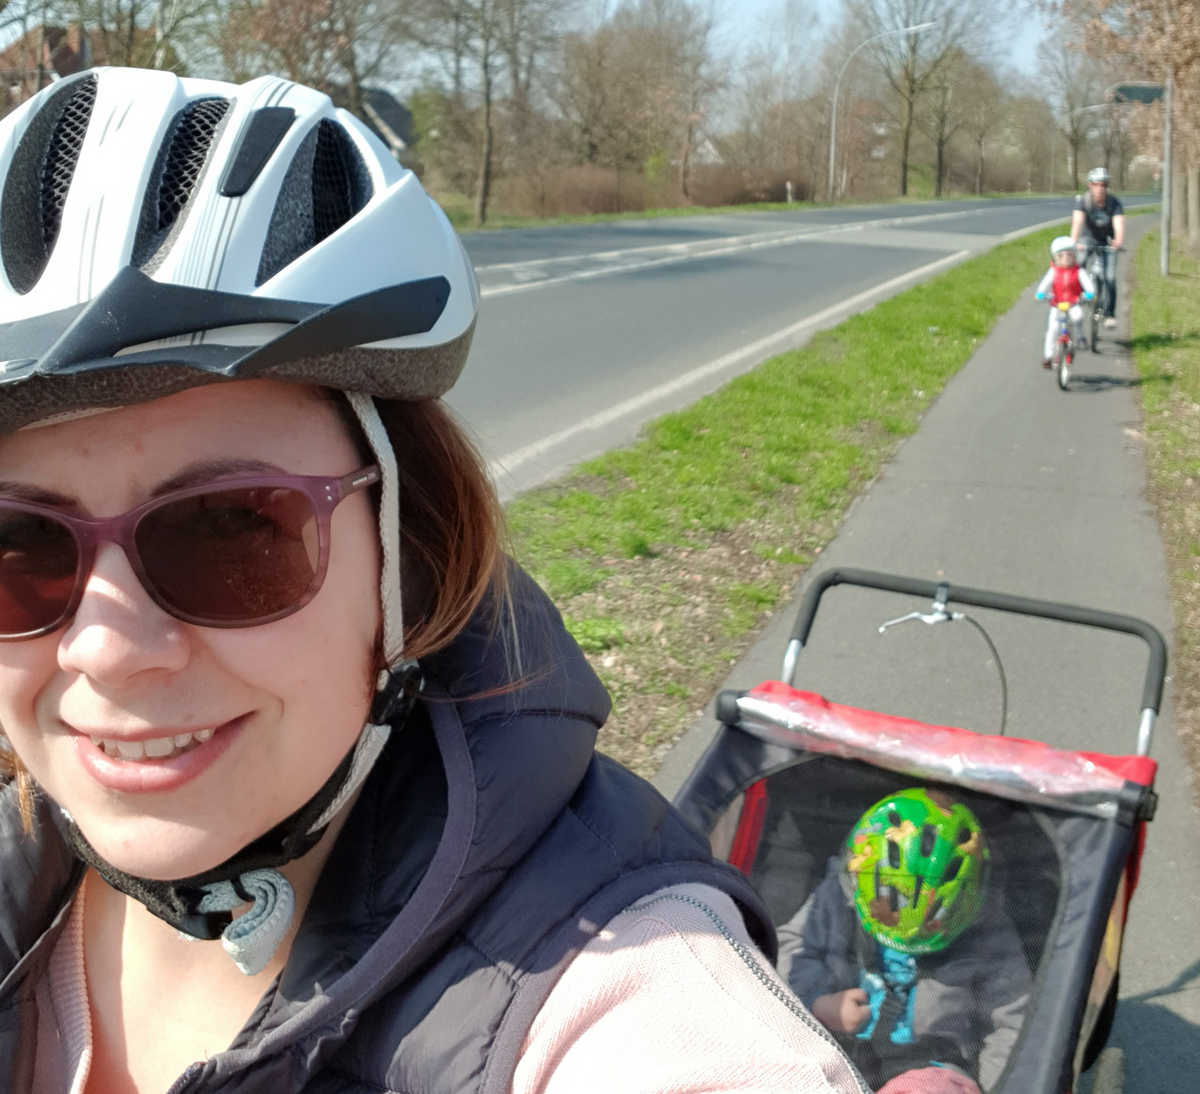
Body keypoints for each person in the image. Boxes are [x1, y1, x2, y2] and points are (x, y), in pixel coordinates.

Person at [0, 72, 869, 1094]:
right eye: (21, 544)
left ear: (408, 556)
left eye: (229, 527)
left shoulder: (623, 990)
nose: (106, 647)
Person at [778, 789, 1030, 1094]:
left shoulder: (989, 927)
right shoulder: (836, 896)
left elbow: (1014, 1021)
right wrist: (817, 1001)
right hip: (834, 1048)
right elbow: (787, 948)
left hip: (933, 1067)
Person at [1069, 166, 1125, 329]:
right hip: (1088, 239)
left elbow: (1118, 224)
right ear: (1090, 185)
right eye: (1096, 185)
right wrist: (1073, 243)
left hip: (1108, 241)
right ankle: (1076, 299)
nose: (1100, 188)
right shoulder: (1084, 201)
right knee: (1079, 264)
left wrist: (1118, 241)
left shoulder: (1114, 203)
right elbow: (1077, 223)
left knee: (1110, 277)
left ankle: (1110, 314)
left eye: (1103, 185)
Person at [1035, 236, 1096, 368]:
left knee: (1077, 316)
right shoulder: (1053, 271)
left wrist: (1089, 293)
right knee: (1052, 329)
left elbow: (1088, 284)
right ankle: (1048, 356)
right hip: (1057, 304)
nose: (1066, 258)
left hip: (1073, 302)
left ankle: (1079, 337)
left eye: (1069, 255)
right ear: (1056, 258)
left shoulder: (1078, 271)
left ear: (1074, 256)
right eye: (1061, 256)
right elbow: (1044, 284)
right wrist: (1041, 294)